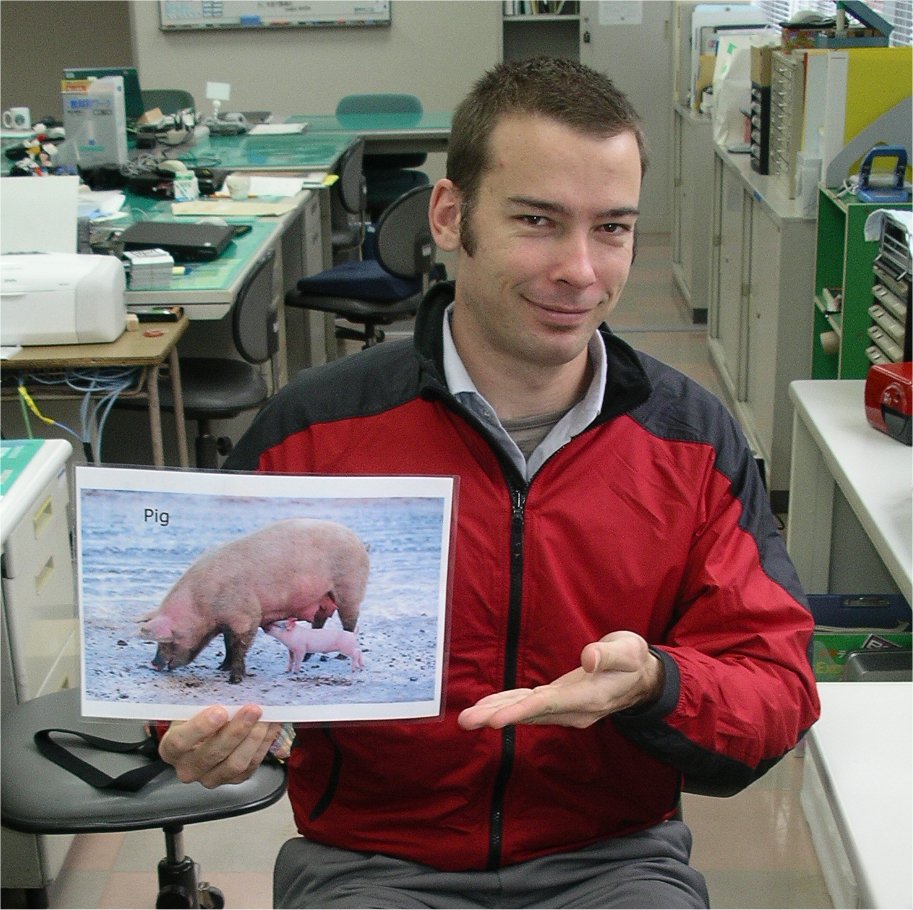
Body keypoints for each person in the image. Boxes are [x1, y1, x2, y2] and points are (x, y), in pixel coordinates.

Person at [159, 56, 820, 908]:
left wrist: (658, 684)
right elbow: (184, 660)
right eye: (537, 220)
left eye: (611, 228)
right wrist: (195, 733)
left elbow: (775, 687)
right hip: (374, 863)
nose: (580, 269)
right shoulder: (314, 428)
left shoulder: (690, 441)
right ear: (449, 215)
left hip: (611, 859)